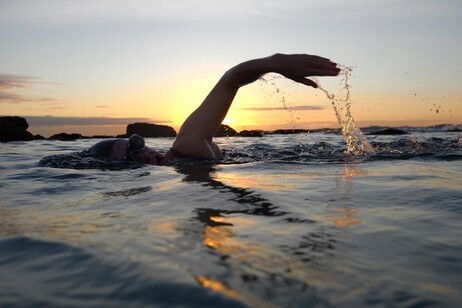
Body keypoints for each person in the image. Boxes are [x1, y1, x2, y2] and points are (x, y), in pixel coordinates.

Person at [90, 53, 340, 165]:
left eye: (140, 144)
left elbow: (230, 80)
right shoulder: (186, 159)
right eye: (132, 154)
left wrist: (274, 63)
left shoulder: (187, 145)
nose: (145, 154)